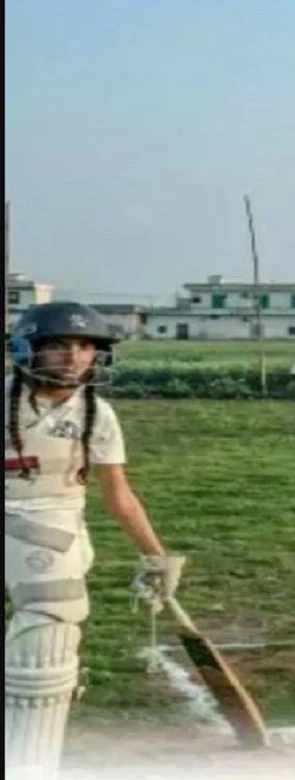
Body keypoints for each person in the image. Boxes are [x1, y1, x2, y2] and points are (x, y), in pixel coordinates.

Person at [5, 302, 184, 778]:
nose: (74, 357)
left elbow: (119, 496)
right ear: (26, 349)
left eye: (85, 347)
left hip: (64, 527)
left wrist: (156, 556)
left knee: (54, 640)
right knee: (51, 621)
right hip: (15, 520)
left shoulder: (96, 413)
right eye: (60, 345)